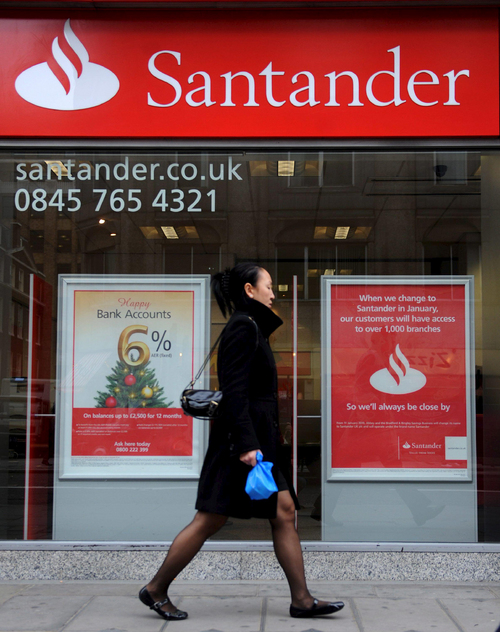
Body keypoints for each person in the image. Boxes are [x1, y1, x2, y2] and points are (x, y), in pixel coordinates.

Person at [139, 263, 344, 621]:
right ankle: (155, 588)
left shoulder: (253, 327)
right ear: (249, 290)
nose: (273, 293)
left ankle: (302, 600)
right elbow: (234, 392)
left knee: (284, 511)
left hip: (256, 439)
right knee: (210, 518)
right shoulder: (242, 327)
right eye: (268, 286)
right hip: (240, 443)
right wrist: (247, 444)